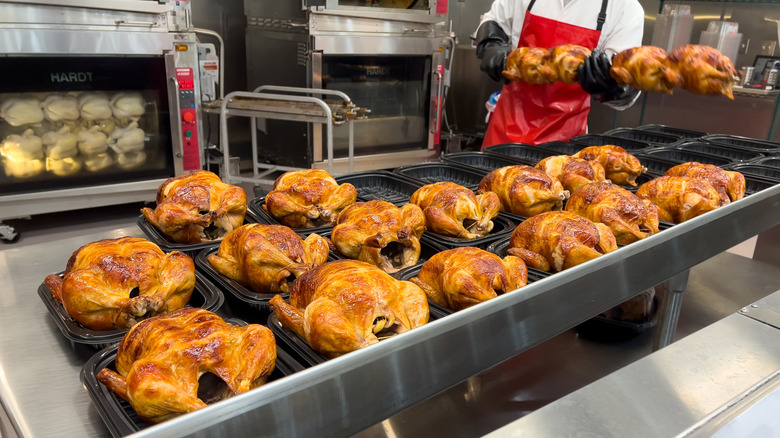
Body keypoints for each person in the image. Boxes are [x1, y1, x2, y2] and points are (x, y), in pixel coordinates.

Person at [475, 0, 645, 147]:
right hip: (506, 133)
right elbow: (493, 19)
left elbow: (627, 88)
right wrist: (492, 46)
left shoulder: (625, 8)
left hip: (564, 147)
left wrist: (609, 86)